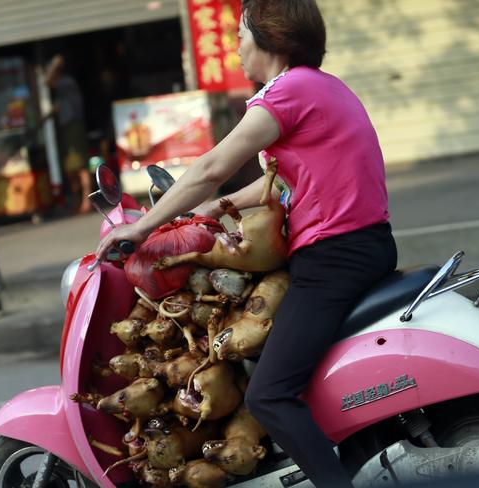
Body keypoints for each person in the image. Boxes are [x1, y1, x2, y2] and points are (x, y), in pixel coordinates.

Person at [95, 1, 397, 486]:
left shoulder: (288, 91)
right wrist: (215, 208)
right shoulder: (320, 87)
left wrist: (141, 226)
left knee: (269, 394)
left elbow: (211, 166)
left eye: (240, 35)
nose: (236, 47)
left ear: (269, 40)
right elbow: (282, 183)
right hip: (358, 246)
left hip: (335, 257)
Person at [45, 54, 92, 213]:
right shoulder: (63, 92)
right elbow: (56, 108)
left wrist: (55, 63)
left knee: (80, 166)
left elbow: (48, 80)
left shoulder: (65, 82)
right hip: (67, 128)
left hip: (74, 127)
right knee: (71, 169)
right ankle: (79, 200)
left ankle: (87, 201)